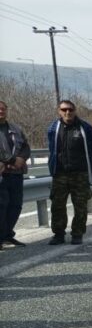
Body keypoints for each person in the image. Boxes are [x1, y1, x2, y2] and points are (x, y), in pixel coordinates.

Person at [46, 100, 92, 245]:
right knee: (57, 206)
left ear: (75, 111)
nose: (67, 112)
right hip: (60, 174)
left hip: (80, 174)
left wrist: (87, 165)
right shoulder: (53, 128)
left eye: (70, 109)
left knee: (80, 206)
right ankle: (58, 234)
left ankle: (77, 233)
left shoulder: (85, 128)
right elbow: (52, 150)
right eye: (64, 109)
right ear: (59, 111)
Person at [0, 100, 32, 249]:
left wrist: (22, 158)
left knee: (16, 205)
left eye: (3, 109)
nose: (1, 111)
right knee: (2, 206)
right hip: (2, 174)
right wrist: (12, 160)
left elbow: (25, 146)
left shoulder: (15, 128)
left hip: (16, 174)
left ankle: (7, 236)